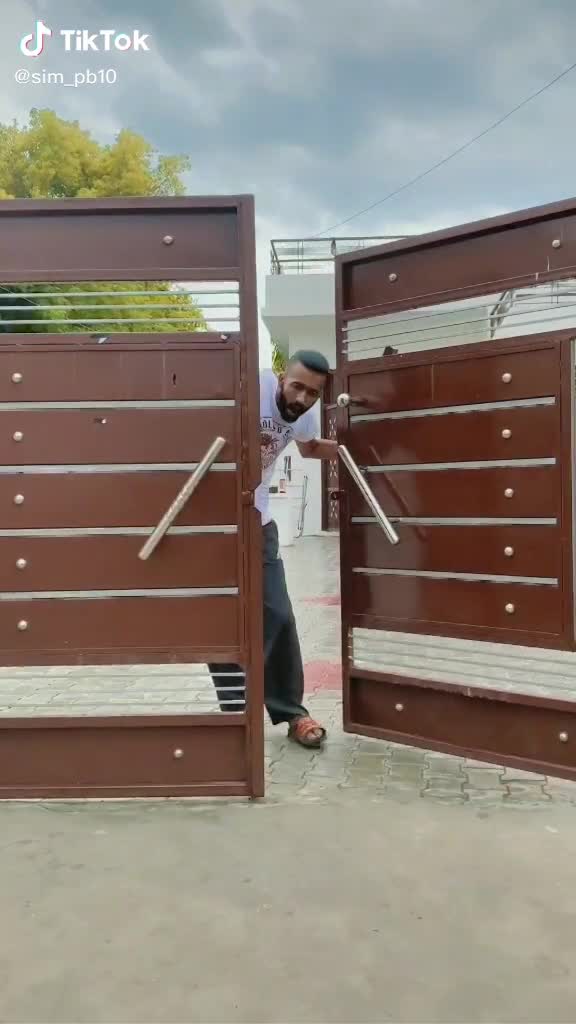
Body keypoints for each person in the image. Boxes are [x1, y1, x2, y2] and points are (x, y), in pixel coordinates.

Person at [209, 350, 338, 748]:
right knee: (221, 620)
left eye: (312, 393)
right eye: (297, 386)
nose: (301, 398)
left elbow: (309, 448)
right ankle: (236, 715)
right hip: (213, 521)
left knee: (278, 613)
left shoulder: (305, 416)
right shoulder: (257, 386)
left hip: (258, 519)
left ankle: (292, 712)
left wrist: (354, 447)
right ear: (282, 377)